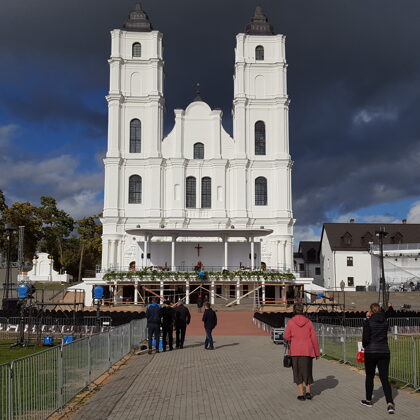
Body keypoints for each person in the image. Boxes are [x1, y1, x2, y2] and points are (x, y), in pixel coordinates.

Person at [361, 303, 395, 414]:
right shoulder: (385, 321)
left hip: (371, 351)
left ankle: (369, 400)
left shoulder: (368, 322)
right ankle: (390, 403)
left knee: (370, 376)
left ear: (371, 311)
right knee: (384, 378)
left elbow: (365, 339)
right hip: (384, 350)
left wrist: (367, 319)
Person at [284, 303, 320, 401]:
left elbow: (286, 336)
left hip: (295, 350)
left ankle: (301, 394)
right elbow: (314, 338)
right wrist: (317, 353)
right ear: (303, 310)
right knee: (307, 371)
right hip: (307, 350)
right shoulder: (309, 322)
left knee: (297, 372)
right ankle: (308, 392)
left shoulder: (291, 322)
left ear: (294, 310)